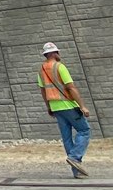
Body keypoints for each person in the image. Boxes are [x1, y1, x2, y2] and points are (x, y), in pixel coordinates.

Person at [38, 42, 91, 178]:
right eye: (58, 52)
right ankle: (74, 157)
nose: (59, 54)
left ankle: (77, 171)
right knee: (84, 130)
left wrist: (49, 107)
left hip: (55, 107)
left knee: (67, 138)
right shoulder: (60, 67)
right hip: (67, 105)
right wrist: (82, 106)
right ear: (54, 53)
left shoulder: (42, 70)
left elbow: (43, 91)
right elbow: (71, 87)